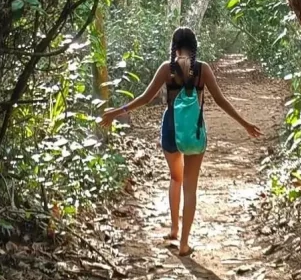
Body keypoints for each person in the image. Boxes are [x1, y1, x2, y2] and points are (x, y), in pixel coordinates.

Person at [100, 27, 261, 257]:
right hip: (194, 133)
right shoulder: (203, 70)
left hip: (170, 130)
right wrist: (245, 124)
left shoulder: (167, 69)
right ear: (195, 47)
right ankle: (184, 243)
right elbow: (221, 101)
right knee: (190, 186)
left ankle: (174, 229)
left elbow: (145, 98)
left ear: (174, 48)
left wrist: (117, 111)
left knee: (175, 178)